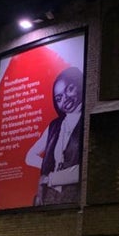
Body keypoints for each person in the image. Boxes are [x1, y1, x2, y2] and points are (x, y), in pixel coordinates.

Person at [25, 66, 83, 206]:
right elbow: (30, 156)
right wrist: (49, 168)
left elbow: (83, 170)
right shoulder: (55, 126)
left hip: (73, 196)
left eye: (69, 89)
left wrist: (52, 177)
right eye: (59, 97)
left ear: (79, 85)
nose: (65, 99)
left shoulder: (86, 119)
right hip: (50, 196)